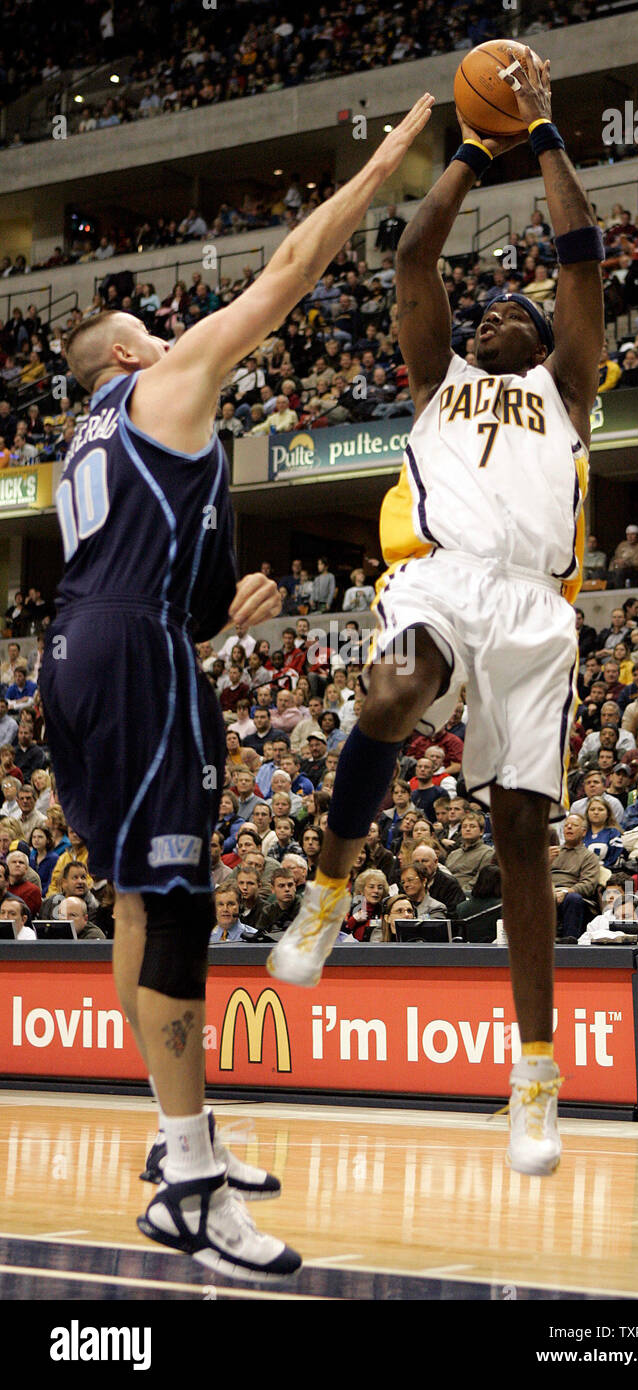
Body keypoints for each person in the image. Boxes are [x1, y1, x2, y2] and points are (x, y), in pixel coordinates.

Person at [38, 95, 435, 1281]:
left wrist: (205, 637)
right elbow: (288, 270)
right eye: (150, 328)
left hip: (86, 653)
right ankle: (193, 1185)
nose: (171, 334)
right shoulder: (158, 388)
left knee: (130, 897)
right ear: (124, 354)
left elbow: (123, 585)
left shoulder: (87, 441)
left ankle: (177, 1145)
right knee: (179, 906)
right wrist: (376, 170)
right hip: (128, 648)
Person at [267, 52, 606, 1177]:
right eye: (492, 308)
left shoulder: (567, 388)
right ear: (469, 335)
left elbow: (579, 255)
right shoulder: (436, 378)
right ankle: (327, 887)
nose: (508, 312)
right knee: (395, 688)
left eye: (522, 309)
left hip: (534, 614)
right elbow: (414, 253)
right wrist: (472, 145)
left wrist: (543, 130)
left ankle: (533, 1070)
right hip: (442, 580)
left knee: (520, 832)